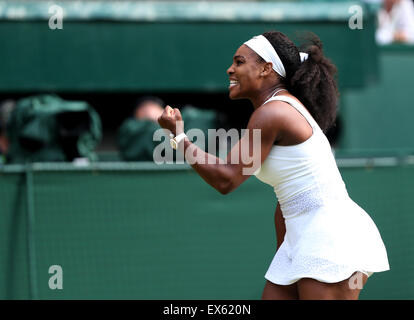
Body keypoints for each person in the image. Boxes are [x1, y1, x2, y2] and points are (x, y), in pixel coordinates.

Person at [158, 31, 389, 300]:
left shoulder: (272, 113)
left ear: (266, 69)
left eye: (240, 61)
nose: (230, 69)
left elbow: (226, 179)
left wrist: (178, 137)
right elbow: (285, 202)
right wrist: (286, 253)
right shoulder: (274, 110)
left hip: (333, 240)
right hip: (305, 241)